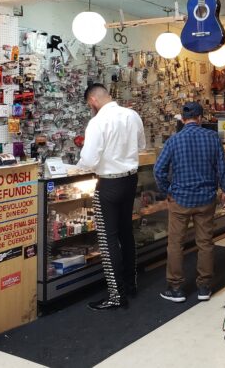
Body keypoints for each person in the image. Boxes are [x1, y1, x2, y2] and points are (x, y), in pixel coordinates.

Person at [154, 101, 225, 303]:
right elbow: (221, 166)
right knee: (205, 243)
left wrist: (167, 191)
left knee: (175, 244)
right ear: (200, 118)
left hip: (180, 199)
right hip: (206, 199)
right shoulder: (212, 137)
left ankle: (176, 288)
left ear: (182, 118)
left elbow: (158, 171)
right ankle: (204, 287)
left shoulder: (174, 140)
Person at [77, 83, 146, 311]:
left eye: (89, 105)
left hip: (109, 184)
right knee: (126, 233)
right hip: (130, 180)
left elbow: (89, 159)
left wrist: (77, 167)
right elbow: (141, 146)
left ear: (93, 101)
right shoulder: (132, 115)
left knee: (108, 240)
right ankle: (131, 284)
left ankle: (117, 296)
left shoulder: (97, 122)